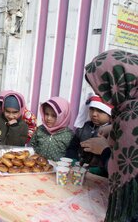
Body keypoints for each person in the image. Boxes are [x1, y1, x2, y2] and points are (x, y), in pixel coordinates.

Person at [85, 49, 138, 222]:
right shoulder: (127, 110)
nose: (101, 95)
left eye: (103, 88)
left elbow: (130, 173)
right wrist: (115, 126)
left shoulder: (131, 118)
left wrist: (105, 150)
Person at [65, 95, 113, 176]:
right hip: (78, 171)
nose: (94, 114)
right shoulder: (83, 127)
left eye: (100, 111)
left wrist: (101, 170)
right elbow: (73, 147)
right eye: (92, 109)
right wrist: (72, 158)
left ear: (110, 114)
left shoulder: (112, 134)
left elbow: (112, 158)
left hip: (99, 176)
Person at [30, 97, 74, 161]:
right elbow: (32, 145)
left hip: (58, 169)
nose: (48, 118)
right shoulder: (40, 129)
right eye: (46, 114)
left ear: (63, 117)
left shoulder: (69, 135)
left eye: (54, 116)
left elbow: (70, 156)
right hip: (38, 166)